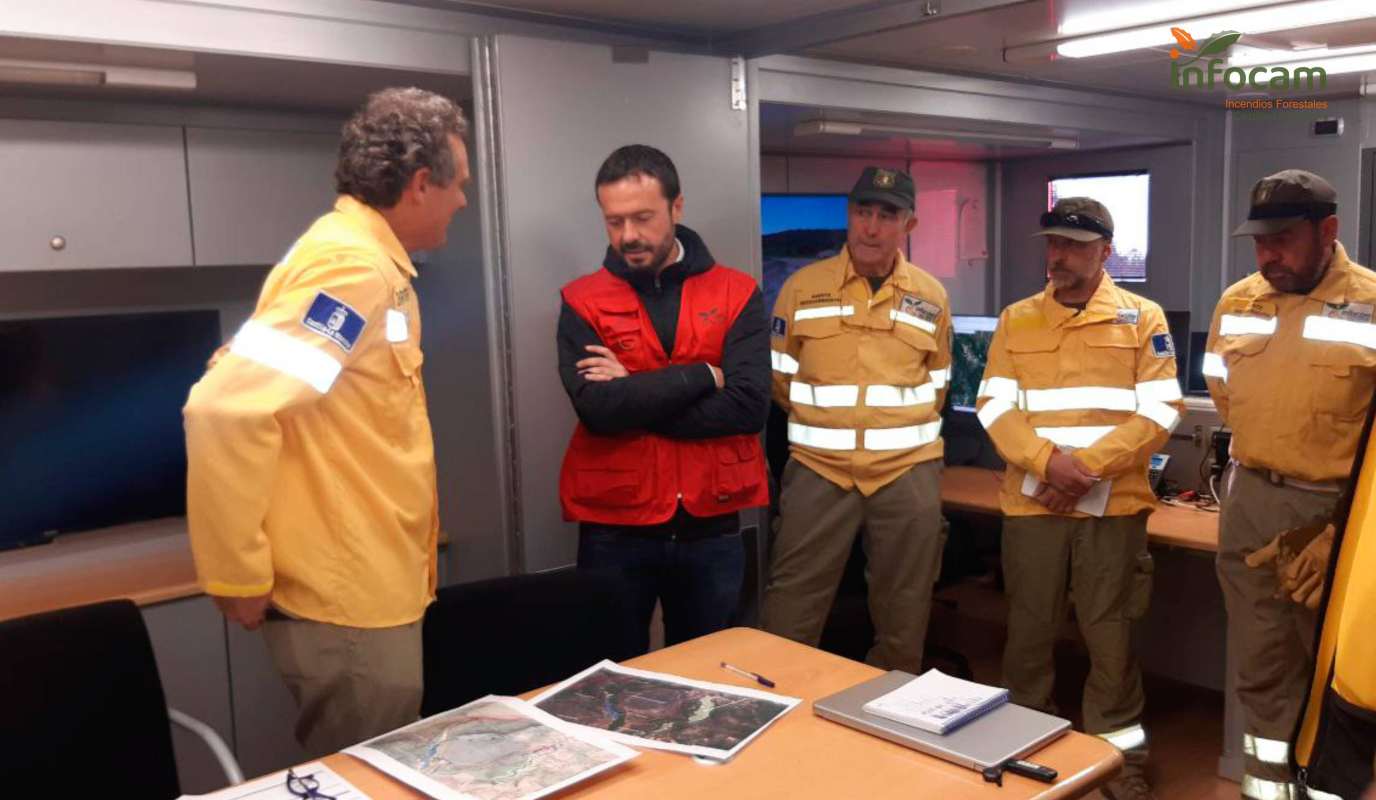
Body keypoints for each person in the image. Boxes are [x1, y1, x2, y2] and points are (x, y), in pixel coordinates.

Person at [183, 87, 469, 756]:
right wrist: (236, 576)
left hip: (370, 585)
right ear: (422, 184)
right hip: (347, 600)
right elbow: (225, 406)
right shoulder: (349, 270)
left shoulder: (363, 263)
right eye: (458, 185)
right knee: (364, 778)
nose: (462, 200)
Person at [976, 197, 1181, 800]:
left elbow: (1162, 409)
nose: (1058, 256)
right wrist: (1047, 466)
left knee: (1110, 640)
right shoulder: (1018, 319)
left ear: (1104, 251)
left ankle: (1120, 769)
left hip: (1111, 507)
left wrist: (1083, 469)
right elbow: (994, 404)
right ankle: (1026, 762)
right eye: (1052, 243)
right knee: (1029, 637)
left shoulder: (1142, 318)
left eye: (1073, 245)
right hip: (1032, 504)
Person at [1203, 169, 1376, 800]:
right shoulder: (1238, 301)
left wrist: (1344, 529)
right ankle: (1268, 791)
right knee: (1261, 670)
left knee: (1335, 682)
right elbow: (1226, 397)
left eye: (1283, 239)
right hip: (1250, 500)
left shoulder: (1372, 302)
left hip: (1337, 517)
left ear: (1327, 231)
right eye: (1258, 241)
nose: (1267, 254)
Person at [556, 144, 770, 654]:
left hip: (712, 526)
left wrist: (634, 389)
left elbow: (748, 406)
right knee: (607, 674)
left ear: (677, 207)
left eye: (642, 218)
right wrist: (701, 375)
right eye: (614, 221)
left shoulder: (736, 293)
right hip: (616, 528)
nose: (628, 235)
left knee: (710, 674)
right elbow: (600, 410)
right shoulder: (581, 299)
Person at [762, 166, 950, 673]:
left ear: (908, 225)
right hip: (820, 469)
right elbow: (781, 380)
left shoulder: (931, 297)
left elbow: (938, 384)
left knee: (905, 608)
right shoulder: (802, 289)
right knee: (792, 603)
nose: (870, 227)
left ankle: (894, 724)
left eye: (886, 216)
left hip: (906, 471)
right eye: (862, 213)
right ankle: (780, 715)